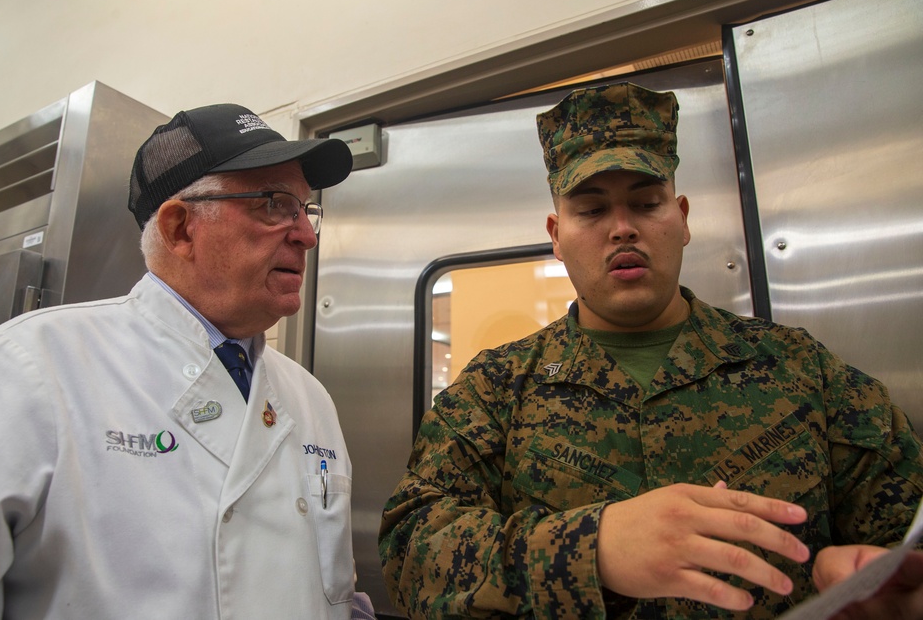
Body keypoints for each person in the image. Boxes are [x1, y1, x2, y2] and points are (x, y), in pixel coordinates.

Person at [378, 82, 923, 618]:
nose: (622, 229)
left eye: (646, 203)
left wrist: (890, 585)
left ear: (682, 217)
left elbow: (906, 524)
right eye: (591, 211)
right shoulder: (498, 387)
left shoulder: (797, 369)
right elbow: (411, 552)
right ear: (557, 235)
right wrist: (591, 550)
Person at [0, 104, 375, 619]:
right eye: (274, 204)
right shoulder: (27, 367)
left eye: (304, 209)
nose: (306, 235)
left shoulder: (310, 397)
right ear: (181, 228)